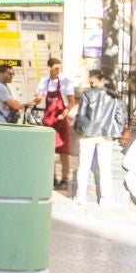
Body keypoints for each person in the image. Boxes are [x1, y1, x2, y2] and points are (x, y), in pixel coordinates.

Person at [71, 69, 127, 206]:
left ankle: (80, 197)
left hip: (88, 134)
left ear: (99, 79)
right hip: (105, 134)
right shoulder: (113, 96)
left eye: (92, 78)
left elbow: (80, 115)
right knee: (105, 167)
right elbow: (121, 116)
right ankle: (106, 199)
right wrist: (116, 131)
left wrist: (79, 130)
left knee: (84, 165)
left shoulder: (87, 94)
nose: (90, 80)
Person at [35, 58, 78, 190]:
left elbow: (71, 101)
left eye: (60, 68)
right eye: (55, 68)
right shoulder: (44, 81)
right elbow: (39, 97)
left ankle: (65, 178)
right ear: (49, 68)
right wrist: (36, 99)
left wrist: (64, 114)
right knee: (49, 150)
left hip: (61, 119)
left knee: (64, 151)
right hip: (49, 120)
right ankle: (51, 177)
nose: (58, 71)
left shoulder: (66, 82)